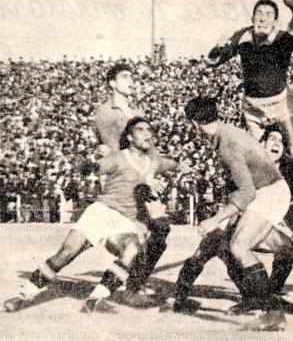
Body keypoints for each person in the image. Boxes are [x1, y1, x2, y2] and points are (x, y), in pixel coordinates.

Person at [3, 117, 181, 314]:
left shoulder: (153, 162)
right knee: (66, 253)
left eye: (149, 129)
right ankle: (23, 296)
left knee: (132, 248)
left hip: (124, 220)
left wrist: (181, 164)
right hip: (101, 212)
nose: (147, 133)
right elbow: (90, 168)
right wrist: (90, 161)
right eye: (141, 129)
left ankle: (95, 299)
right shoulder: (117, 157)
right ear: (130, 137)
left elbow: (171, 164)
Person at [173, 96, 293, 331]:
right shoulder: (225, 133)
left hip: (267, 193)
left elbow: (247, 191)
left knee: (239, 247)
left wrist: (214, 219)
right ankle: (259, 299)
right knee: (239, 245)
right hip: (267, 192)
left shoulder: (225, 143)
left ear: (194, 123)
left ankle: (273, 311)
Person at [91, 63, 173, 306]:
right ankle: (128, 285)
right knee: (142, 231)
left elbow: (147, 147)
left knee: (159, 229)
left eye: (133, 77)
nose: (132, 80)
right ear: (112, 83)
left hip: (144, 174)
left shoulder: (136, 109)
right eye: (125, 77)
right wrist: (144, 175)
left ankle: (132, 282)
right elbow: (116, 154)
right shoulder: (106, 112)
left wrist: (154, 169)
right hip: (128, 180)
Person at [208, 0, 293, 166]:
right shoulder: (243, 36)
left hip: (281, 104)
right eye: (259, 14)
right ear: (252, 19)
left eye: (268, 14)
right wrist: (218, 47)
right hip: (253, 109)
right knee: (257, 161)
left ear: (275, 22)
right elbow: (213, 61)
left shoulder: (281, 39)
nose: (263, 18)